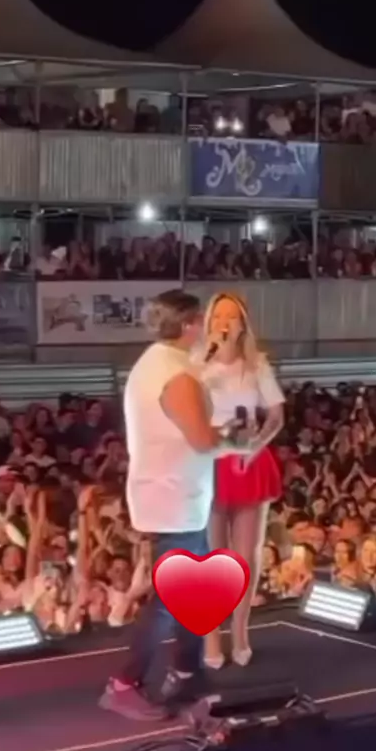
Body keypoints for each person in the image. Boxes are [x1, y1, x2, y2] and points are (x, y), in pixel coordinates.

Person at [99, 289, 251, 720]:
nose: (206, 327)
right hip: (173, 499)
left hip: (173, 495)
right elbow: (202, 439)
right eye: (201, 320)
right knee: (171, 598)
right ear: (188, 324)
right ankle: (123, 684)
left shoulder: (158, 362)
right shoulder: (174, 373)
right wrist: (236, 439)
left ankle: (187, 672)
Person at [199, 292, 284, 668]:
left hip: (249, 460)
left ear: (243, 324)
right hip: (211, 460)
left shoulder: (257, 365)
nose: (224, 323)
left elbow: (276, 416)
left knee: (245, 556)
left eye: (232, 317)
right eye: (218, 316)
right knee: (212, 557)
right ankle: (210, 637)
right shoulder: (196, 365)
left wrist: (255, 446)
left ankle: (240, 632)